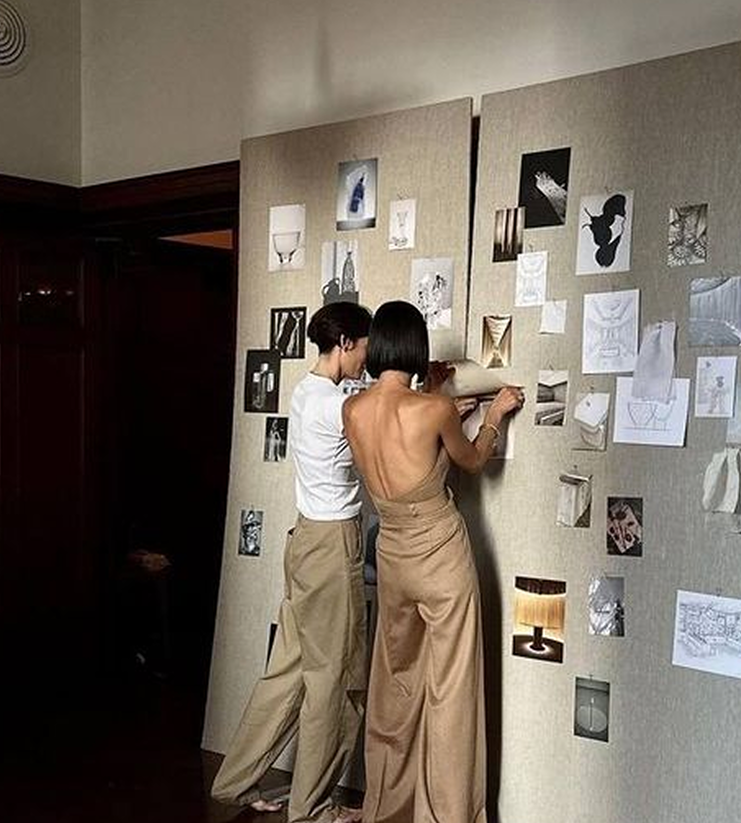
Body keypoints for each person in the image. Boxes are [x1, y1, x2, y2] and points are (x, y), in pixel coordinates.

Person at [343, 301, 520, 823]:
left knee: (396, 683)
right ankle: (445, 813)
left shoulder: (352, 411)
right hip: (440, 556)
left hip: (392, 555)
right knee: (452, 690)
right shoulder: (434, 410)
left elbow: (400, 459)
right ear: (417, 348)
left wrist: (435, 399)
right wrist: (491, 416)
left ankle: (389, 805)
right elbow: (473, 462)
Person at [209, 302, 376, 823]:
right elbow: (384, 423)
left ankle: (233, 781)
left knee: (287, 672)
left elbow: (362, 400)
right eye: (365, 347)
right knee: (338, 681)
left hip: (302, 541)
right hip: (331, 546)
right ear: (346, 343)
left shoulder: (307, 393)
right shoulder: (339, 407)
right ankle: (311, 808)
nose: (367, 359)